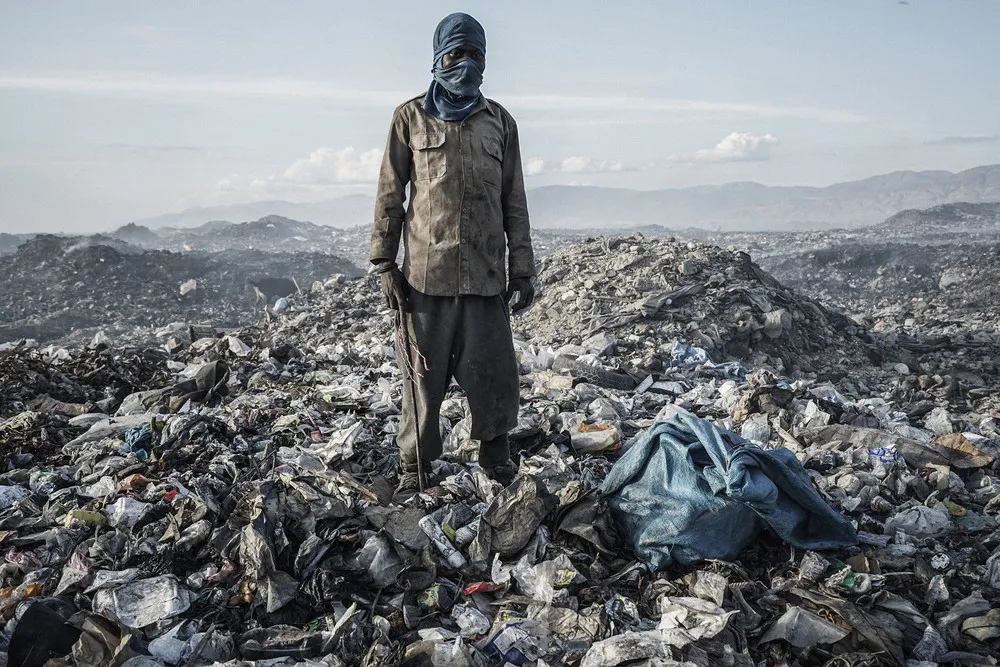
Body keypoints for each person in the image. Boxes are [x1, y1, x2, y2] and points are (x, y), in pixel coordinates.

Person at [370, 12, 536, 496]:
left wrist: (521, 269)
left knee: (494, 376)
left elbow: (515, 201)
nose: (466, 64)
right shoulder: (410, 118)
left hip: (486, 280)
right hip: (426, 279)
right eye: (456, 54)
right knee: (423, 380)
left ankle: (497, 462)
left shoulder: (500, 123)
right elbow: (389, 193)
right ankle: (414, 469)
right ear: (437, 58)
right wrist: (384, 262)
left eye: (476, 55)